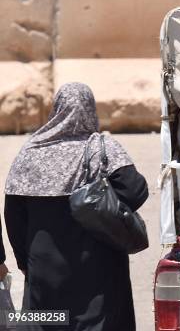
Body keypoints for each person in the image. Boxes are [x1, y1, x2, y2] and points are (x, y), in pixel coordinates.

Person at [3, 83, 149, 331]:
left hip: (44, 270)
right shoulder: (100, 149)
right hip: (99, 269)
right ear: (91, 110)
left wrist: (24, 262)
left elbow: (13, 215)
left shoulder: (31, 151)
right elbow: (136, 191)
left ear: (56, 110)